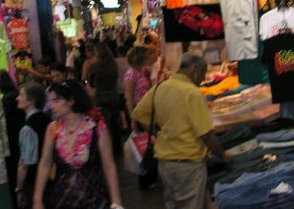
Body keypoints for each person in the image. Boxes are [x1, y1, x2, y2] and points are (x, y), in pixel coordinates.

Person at [132, 53, 228, 209]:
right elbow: (207, 135)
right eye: (203, 73)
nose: (202, 79)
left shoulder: (160, 88)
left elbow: (139, 113)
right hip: (189, 165)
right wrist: (222, 155)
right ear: (195, 69)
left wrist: (158, 132)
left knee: (174, 204)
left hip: (165, 164)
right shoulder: (192, 93)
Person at [32, 80, 123, 209]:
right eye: (51, 101)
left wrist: (116, 201)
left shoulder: (96, 127)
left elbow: (109, 165)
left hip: (95, 200)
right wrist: (37, 199)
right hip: (62, 201)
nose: (51, 106)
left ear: (71, 100)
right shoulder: (52, 129)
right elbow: (45, 164)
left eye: (56, 100)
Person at [15, 82, 51, 208]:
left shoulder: (28, 128)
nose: (17, 98)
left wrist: (19, 188)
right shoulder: (48, 120)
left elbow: (24, 164)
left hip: (33, 183)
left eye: (21, 95)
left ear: (31, 100)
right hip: (50, 180)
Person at [88, 43, 122, 157]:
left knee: (103, 125)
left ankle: (105, 150)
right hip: (113, 96)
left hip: (101, 96)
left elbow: (91, 83)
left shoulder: (94, 66)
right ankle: (117, 149)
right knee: (115, 123)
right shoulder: (114, 65)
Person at [0, 70, 24, 207]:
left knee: (13, 171)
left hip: (12, 139)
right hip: (19, 136)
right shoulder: (15, 94)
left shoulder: (6, 100)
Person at [124, 45, 154, 128]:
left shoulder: (143, 70)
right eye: (147, 57)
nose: (149, 58)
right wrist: (133, 119)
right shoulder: (131, 74)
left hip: (146, 107)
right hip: (138, 109)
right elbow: (129, 97)